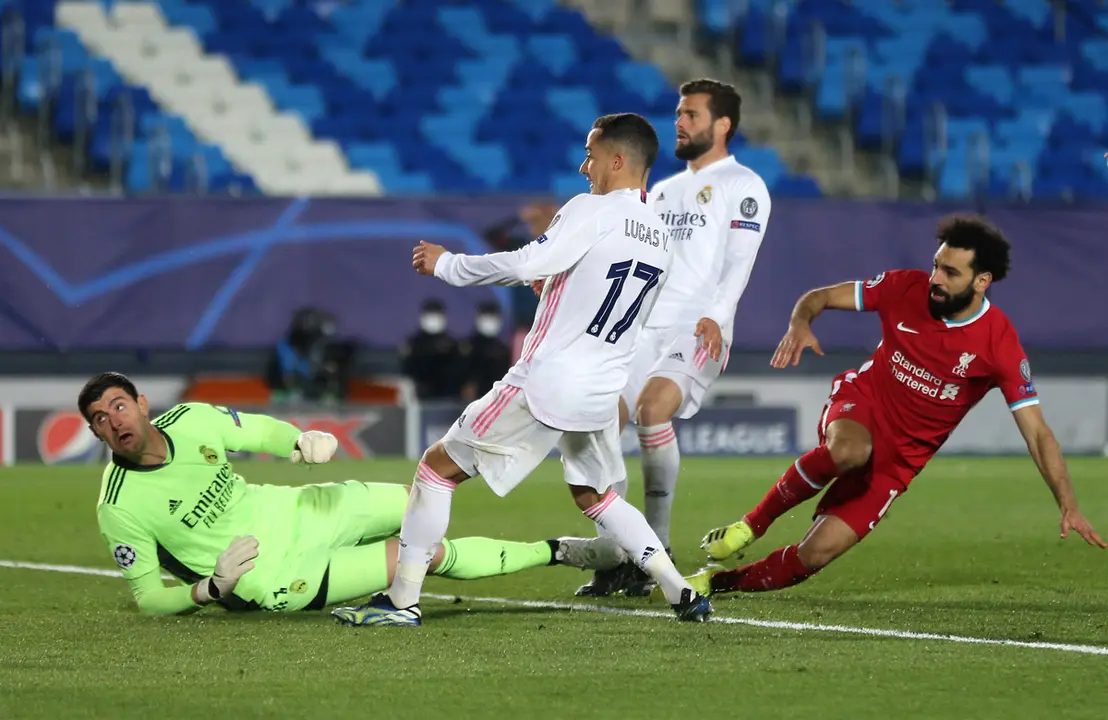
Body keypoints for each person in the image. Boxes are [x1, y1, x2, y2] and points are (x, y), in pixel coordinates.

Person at [330, 113, 712, 627]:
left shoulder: (591, 209)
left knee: (436, 468)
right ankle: (681, 592)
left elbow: (526, 264)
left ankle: (401, 602)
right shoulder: (661, 238)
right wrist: (561, 285)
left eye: (591, 156)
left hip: (547, 381)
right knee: (595, 496)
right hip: (602, 388)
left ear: (617, 161)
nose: (584, 167)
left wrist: (448, 264)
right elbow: (618, 301)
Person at [690, 215, 1106, 599]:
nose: (935, 279)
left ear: (982, 281)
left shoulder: (998, 343)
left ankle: (714, 581)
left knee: (815, 554)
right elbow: (818, 297)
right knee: (850, 450)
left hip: (898, 462)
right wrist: (800, 323)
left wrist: (1068, 504)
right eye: (936, 265)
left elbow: (1037, 432)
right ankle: (750, 525)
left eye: (950, 272)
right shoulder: (904, 287)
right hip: (861, 405)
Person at [80, 372, 627, 616]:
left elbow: (255, 431)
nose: (114, 422)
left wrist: (297, 440)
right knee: (420, 557)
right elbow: (150, 598)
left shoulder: (193, 418)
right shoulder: (119, 506)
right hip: (267, 574)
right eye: (100, 420)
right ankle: (557, 550)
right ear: (96, 434)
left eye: (119, 407)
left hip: (297, 510)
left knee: (419, 499)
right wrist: (211, 588)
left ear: (142, 404)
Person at [575, 78, 774, 598]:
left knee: (652, 407)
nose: (679, 122)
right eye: (679, 114)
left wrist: (719, 314)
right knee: (596, 418)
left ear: (722, 124)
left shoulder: (743, 184)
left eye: (691, 114)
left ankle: (654, 550)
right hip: (643, 327)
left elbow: (739, 259)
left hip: (698, 327)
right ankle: (616, 550)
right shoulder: (661, 192)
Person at [399, 298, 466, 401]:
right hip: (420, 400)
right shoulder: (413, 344)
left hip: (449, 400)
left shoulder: (453, 344)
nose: (433, 319)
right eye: (430, 314)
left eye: (437, 315)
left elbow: (460, 374)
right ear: (422, 317)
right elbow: (408, 372)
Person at [461, 300, 513, 400]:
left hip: (498, 399)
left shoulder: (503, 348)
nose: (490, 321)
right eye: (487, 317)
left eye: (493, 317)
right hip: (472, 402)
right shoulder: (469, 347)